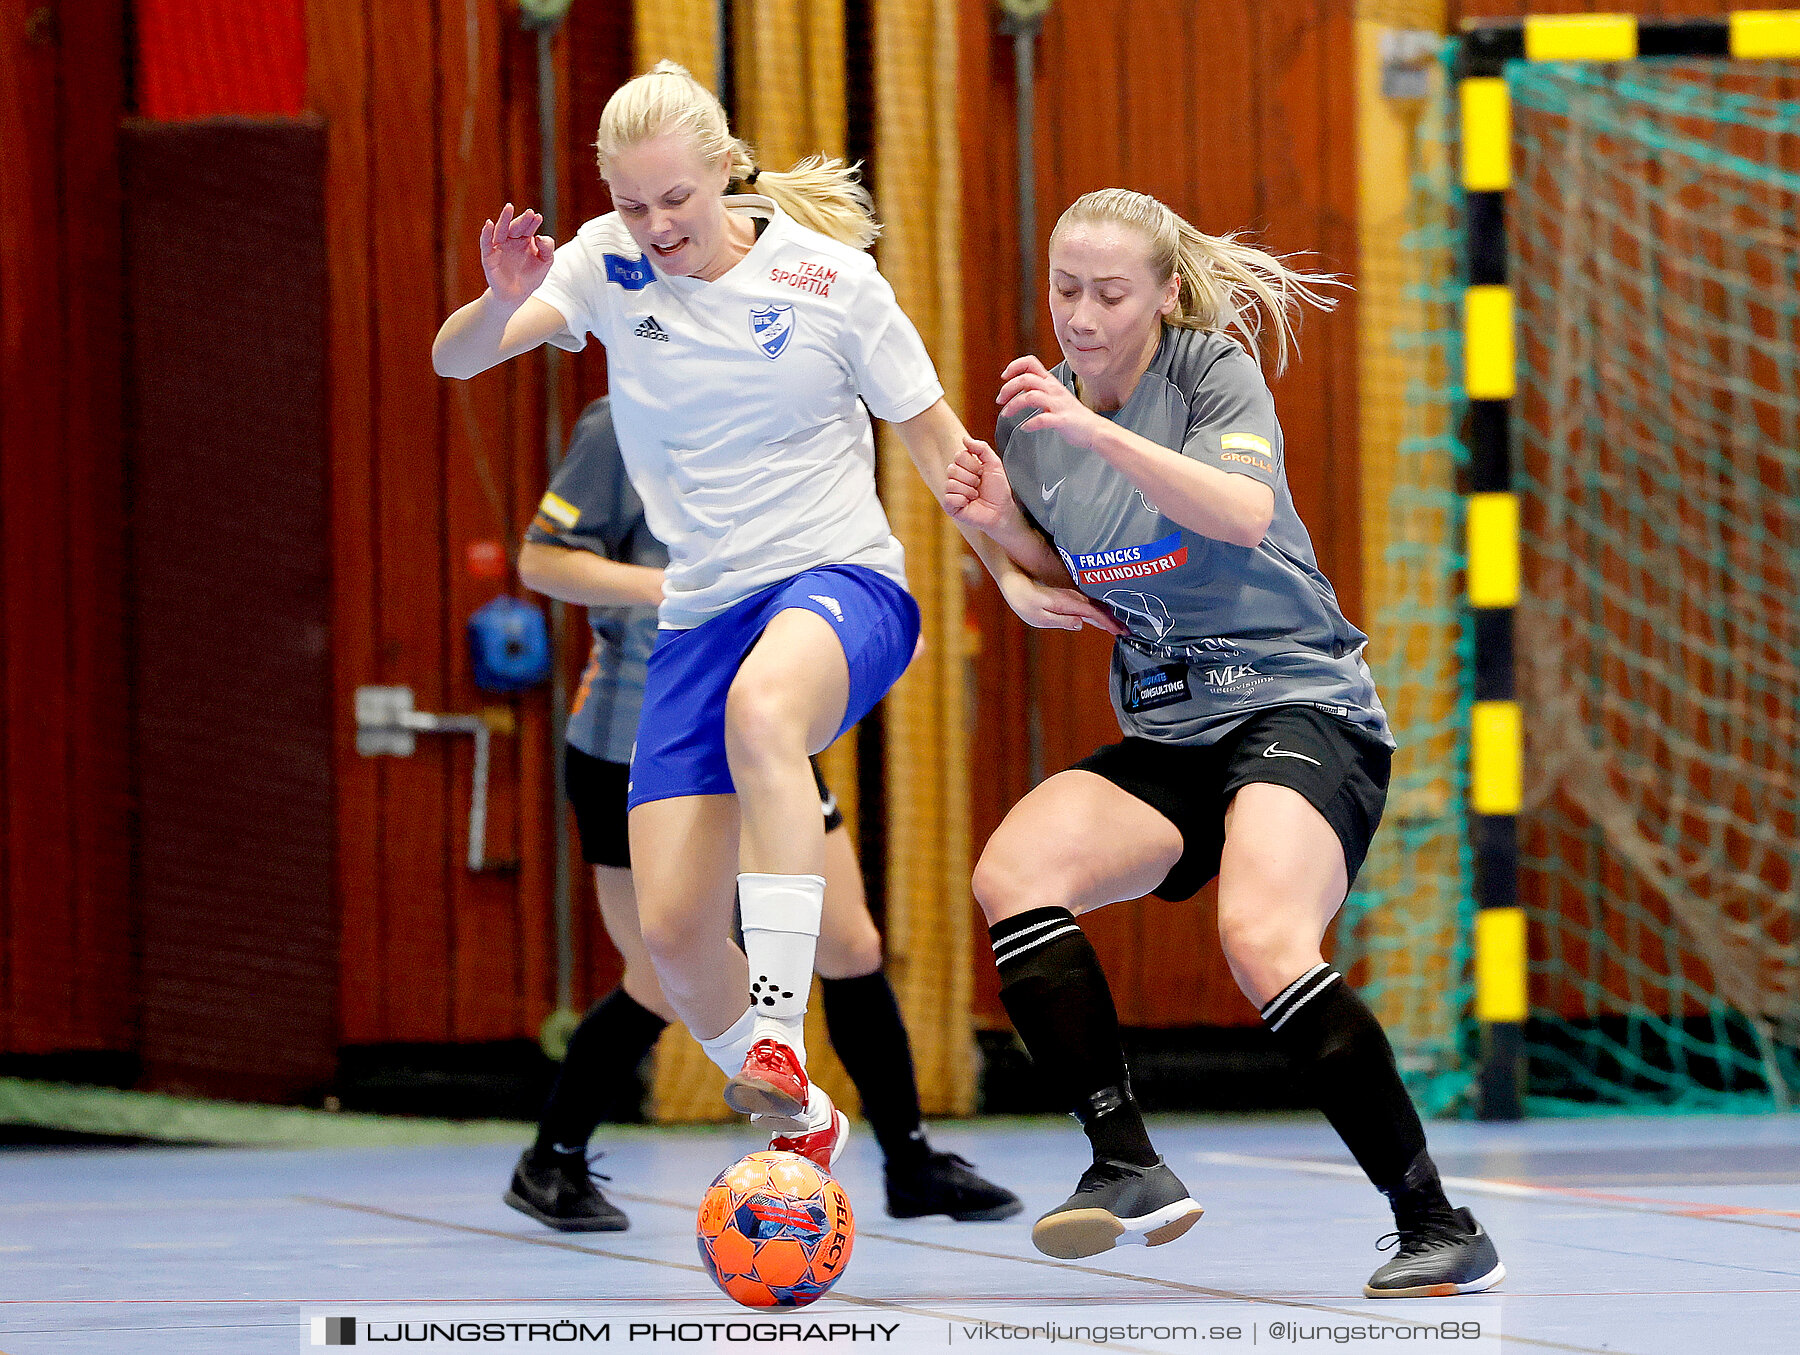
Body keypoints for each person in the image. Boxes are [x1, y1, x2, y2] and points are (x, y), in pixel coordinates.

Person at [434, 61, 1107, 1172]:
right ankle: (810, 1119)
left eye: (676, 201)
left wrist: (1012, 571)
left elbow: (944, 451)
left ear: (726, 171)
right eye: (634, 204)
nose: (655, 226)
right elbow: (454, 358)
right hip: (700, 615)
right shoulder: (605, 263)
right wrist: (502, 299)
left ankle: (784, 1044)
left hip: (840, 583)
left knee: (764, 715)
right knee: (674, 939)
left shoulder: (833, 282)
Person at [943, 188, 1504, 1298]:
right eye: (1066, 289)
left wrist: (1094, 433)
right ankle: (1125, 1160)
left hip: (1301, 706)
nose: (1083, 315)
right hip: (1173, 728)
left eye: (1111, 292)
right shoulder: (1035, 422)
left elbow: (1237, 514)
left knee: (1259, 932)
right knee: (1014, 871)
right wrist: (1005, 539)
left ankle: (1436, 1220)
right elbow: (1083, 574)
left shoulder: (1209, 373)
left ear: (1163, 294)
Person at [501, 396, 1020, 1231]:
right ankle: (550, 1156)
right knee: (664, 975)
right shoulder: (621, 418)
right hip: (640, 735)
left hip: (757, 724)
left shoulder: (792, 411)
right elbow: (540, 560)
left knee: (851, 942)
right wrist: (685, 586)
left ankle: (911, 1160)